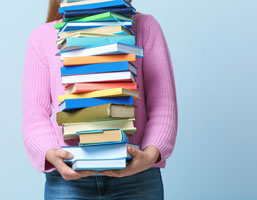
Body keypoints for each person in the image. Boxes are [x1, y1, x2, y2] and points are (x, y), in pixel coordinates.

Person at [22, 0, 178, 199]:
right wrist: (52, 155)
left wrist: (150, 155)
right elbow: (35, 116)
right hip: (68, 180)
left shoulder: (145, 27)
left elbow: (163, 106)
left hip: (138, 176)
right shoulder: (42, 37)